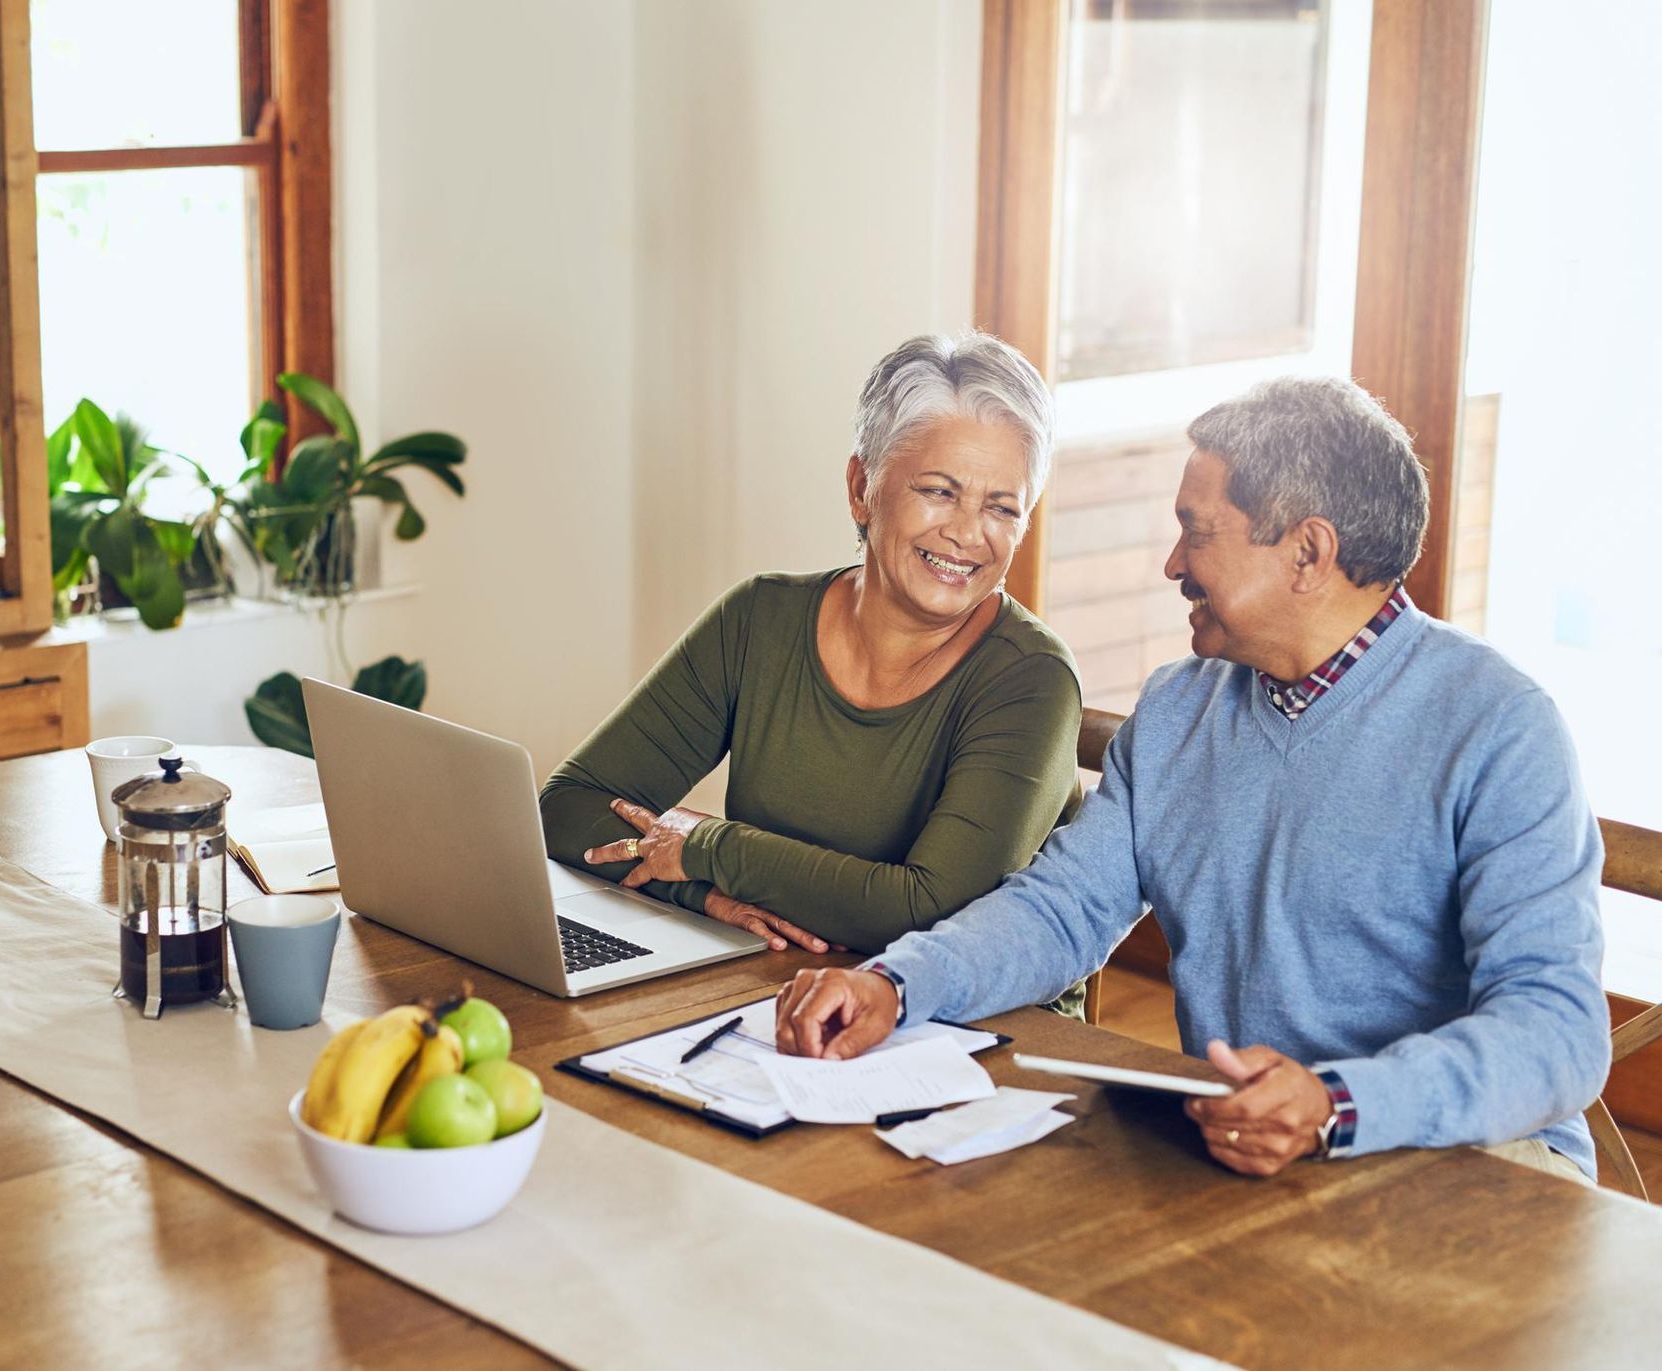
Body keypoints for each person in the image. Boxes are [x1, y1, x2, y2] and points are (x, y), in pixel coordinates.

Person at [773, 375, 1611, 1182]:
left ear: (1308, 552)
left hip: (1470, 1164)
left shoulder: (1500, 727)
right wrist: (896, 981)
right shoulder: (1179, 708)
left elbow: (1558, 1034)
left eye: (1196, 530)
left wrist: (1334, 1106)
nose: (1172, 562)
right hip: (1249, 1152)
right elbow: (1061, 909)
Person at [539, 332, 1086, 1012]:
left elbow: (935, 910)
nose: (969, 533)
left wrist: (712, 847)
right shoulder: (759, 619)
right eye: (940, 492)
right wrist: (698, 889)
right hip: (779, 989)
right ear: (862, 487)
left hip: (972, 1028)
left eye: (1002, 507)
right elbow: (567, 807)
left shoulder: (1032, 679)